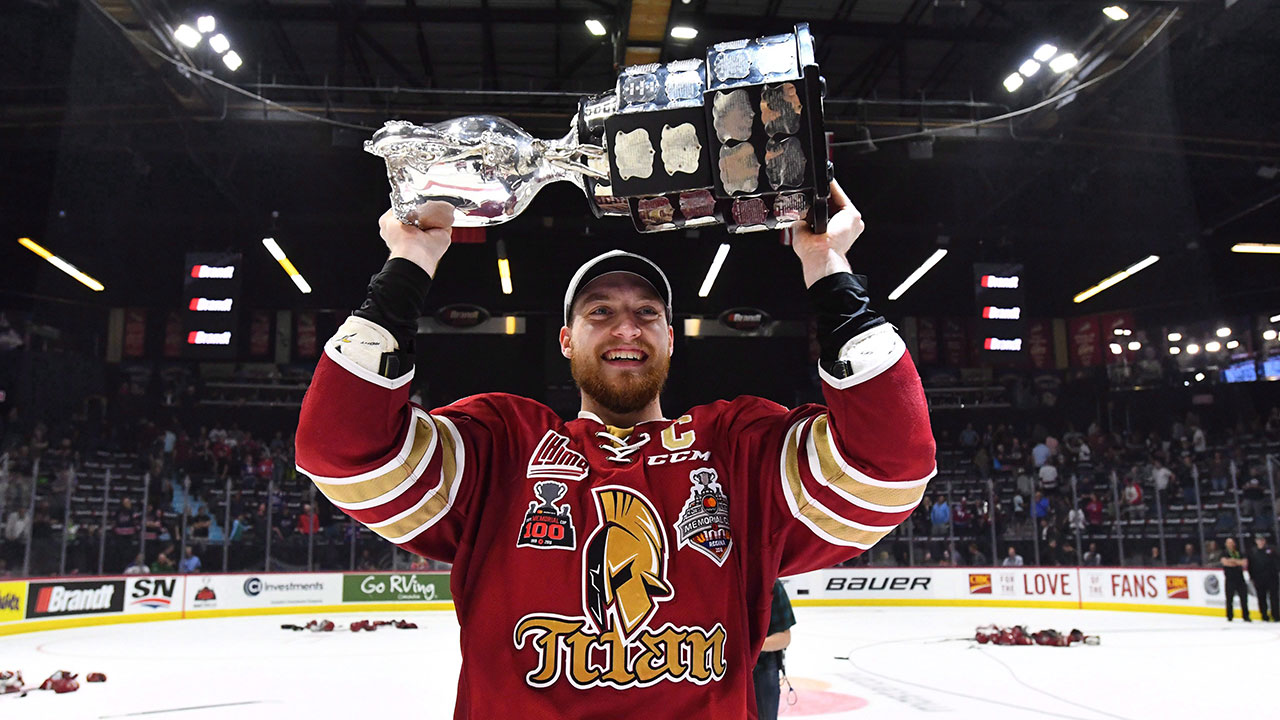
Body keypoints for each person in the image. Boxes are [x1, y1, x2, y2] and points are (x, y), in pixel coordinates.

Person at [294, 186, 936, 717]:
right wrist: (410, 259)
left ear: (671, 340)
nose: (627, 327)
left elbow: (890, 462)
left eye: (647, 312)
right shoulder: (503, 444)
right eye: (601, 311)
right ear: (567, 340)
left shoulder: (738, 448)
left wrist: (826, 263)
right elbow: (341, 449)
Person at [753, 581, 795, 720]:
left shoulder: (771, 585)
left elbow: (784, 637)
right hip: (724, 668)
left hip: (763, 668)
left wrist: (751, 647)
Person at [1247, 535, 1278, 622]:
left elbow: (1276, 561)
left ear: (1264, 541)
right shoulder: (1253, 552)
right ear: (1256, 541)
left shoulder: (1271, 550)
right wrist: (1252, 577)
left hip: (1272, 578)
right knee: (1261, 597)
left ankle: (1276, 615)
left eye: (1262, 540)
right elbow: (1250, 566)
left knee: (1274, 597)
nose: (1260, 542)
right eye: (1258, 540)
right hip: (1259, 578)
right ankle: (1264, 615)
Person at [1222, 537, 1250, 622]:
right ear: (1226, 544)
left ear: (1234, 543)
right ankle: (1230, 616)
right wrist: (1237, 562)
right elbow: (1225, 563)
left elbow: (1244, 563)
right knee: (1229, 599)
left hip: (1240, 579)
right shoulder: (1224, 553)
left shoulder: (1240, 552)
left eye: (1231, 542)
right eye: (1228, 543)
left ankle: (1246, 616)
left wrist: (1232, 561)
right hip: (1230, 579)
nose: (1230, 544)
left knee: (1244, 599)